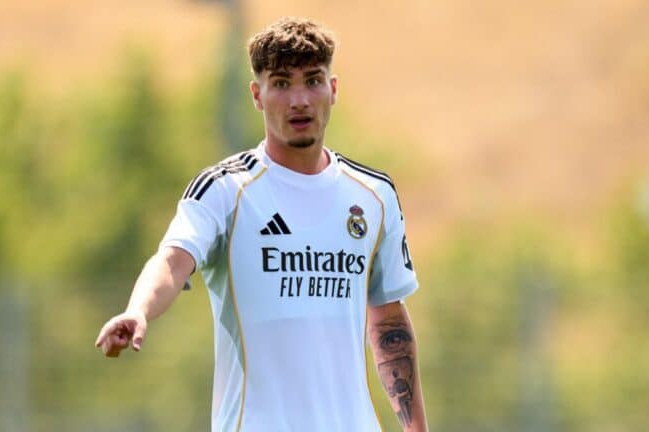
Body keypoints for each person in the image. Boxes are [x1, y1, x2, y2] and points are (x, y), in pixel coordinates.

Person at [94, 17, 428, 432]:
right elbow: (171, 261)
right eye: (282, 83)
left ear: (333, 89)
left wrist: (415, 428)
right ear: (257, 94)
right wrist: (138, 310)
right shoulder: (225, 189)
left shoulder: (373, 196)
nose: (299, 100)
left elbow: (389, 319)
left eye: (313, 80)